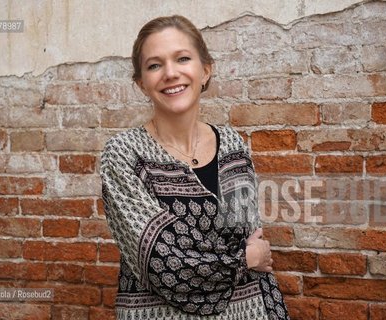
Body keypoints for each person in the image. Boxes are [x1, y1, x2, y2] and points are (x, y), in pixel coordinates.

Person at [100, 15, 290, 319]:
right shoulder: (124, 154)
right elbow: (161, 264)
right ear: (141, 83)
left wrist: (238, 254)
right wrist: (245, 259)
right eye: (154, 65)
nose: (170, 73)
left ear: (205, 70)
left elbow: (247, 236)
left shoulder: (232, 144)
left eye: (183, 58)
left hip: (247, 310)